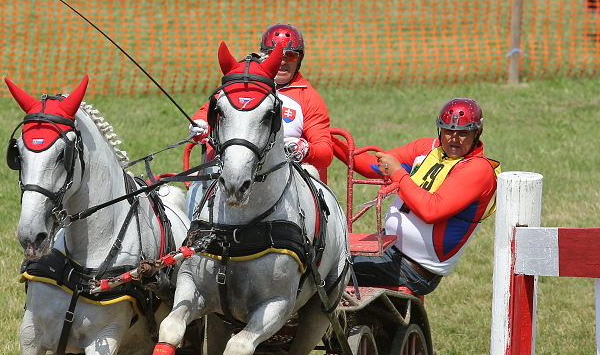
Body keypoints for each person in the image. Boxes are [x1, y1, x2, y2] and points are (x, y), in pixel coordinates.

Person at [350, 98, 500, 296]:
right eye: (448, 131)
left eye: (463, 133)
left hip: (413, 270)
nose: (454, 138)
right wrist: (326, 140)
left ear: (477, 132)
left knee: (328, 265)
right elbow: (371, 164)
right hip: (390, 250)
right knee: (322, 251)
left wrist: (398, 173)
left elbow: (431, 211)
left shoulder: (478, 169)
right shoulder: (428, 148)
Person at [186, 23, 333, 215]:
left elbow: (325, 152)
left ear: (299, 59)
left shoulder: (309, 98)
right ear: (264, 55)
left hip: (284, 187)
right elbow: (207, 112)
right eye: (275, 55)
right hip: (231, 169)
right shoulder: (243, 83)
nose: (282, 62)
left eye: (290, 56)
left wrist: (304, 148)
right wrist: (200, 126)